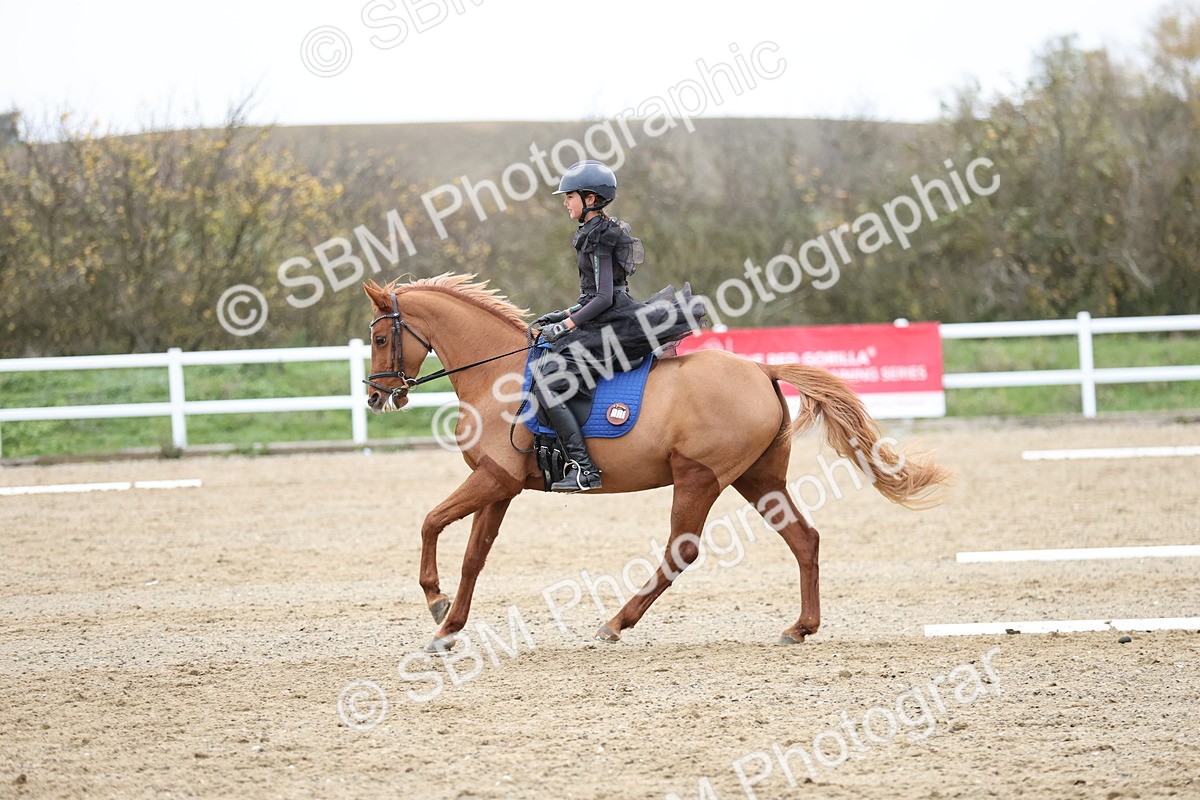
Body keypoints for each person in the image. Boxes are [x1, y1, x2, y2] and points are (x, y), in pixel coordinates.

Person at [532, 160, 705, 493]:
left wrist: (567, 324)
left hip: (614, 327)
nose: (565, 202)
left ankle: (584, 469)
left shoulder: (600, 236)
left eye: (569, 196)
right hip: (603, 320)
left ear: (591, 199)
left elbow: (604, 297)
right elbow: (593, 296)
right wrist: (564, 312)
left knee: (549, 384)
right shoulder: (592, 233)